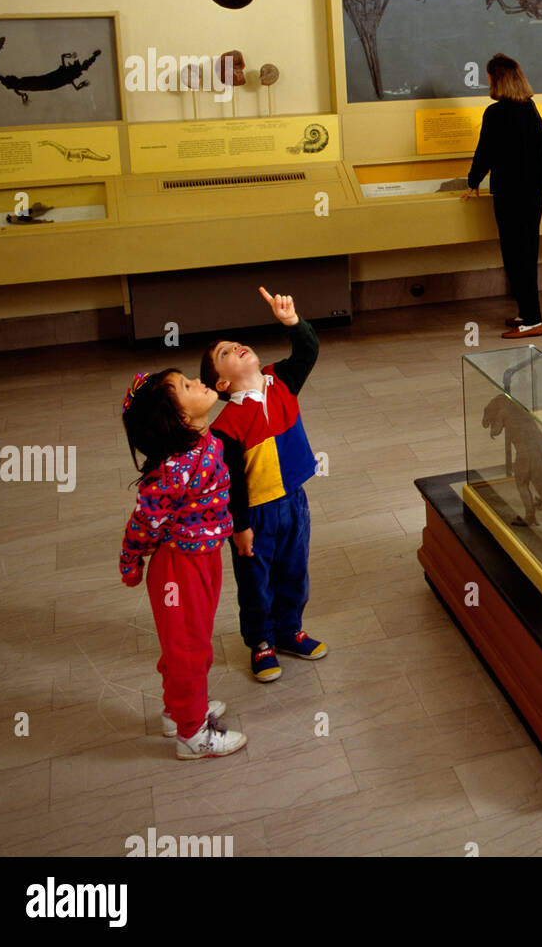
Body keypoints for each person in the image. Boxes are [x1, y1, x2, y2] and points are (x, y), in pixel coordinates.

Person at [119, 369, 247, 759]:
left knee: (196, 643)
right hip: (178, 570)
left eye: (189, 379)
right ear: (179, 420)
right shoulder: (171, 470)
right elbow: (144, 520)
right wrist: (130, 560)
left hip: (205, 556)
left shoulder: (200, 437)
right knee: (188, 650)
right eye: (187, 387)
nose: (197, 382)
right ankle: (192, 736)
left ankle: (178, 711)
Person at [200, 286, 325, 682]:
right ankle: (261, 642)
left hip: (295, 503)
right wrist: (240, 527)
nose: (236, 347)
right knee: (256, 583)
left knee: (294, 571)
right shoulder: (224, 428)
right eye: (224, 353)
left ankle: (290, 631)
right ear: (221, 384)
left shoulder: (282, 379)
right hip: (255, 513)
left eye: (236, 343)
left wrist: (293, 322)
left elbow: (308, 351)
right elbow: (230, 484)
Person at [461, 53, 542, 339]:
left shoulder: (496, 113)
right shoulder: (530, 108)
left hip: (511, 195)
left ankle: (533, 320)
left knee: (515, 256)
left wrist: (473, 181)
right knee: (526, 253)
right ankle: (526, 313)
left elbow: (485, 151)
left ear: (497, 79)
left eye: (488, 75)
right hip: (533, 193)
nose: (486, 79)